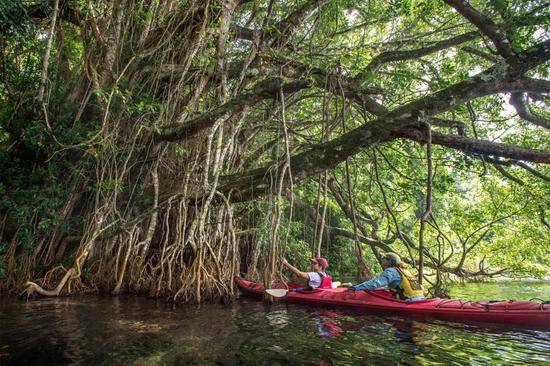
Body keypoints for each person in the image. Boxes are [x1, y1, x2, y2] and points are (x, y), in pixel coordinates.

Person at [347, 252, 425, 301]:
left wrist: (356, 287)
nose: (382, 260)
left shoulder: (390, 271)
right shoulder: (405, 271)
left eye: (384, 259)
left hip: (410, 301)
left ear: (389, 261)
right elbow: (392, 287)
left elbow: (375, 283)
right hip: (421, 298)